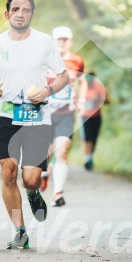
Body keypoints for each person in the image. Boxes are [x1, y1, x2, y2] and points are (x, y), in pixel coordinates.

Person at [0, 0, 69, 250]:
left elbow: (63, 76)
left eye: (26, 10)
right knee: (8, 172)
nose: (20, 14)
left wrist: (48, 91)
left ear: (32, 14)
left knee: (30, 178)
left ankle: (33, 193)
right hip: (6, 113)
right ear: (7, 14)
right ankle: (20, 231)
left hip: (37, 115)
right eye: (15, 9)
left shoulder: (45, 42)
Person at [42, 26, 87, 207]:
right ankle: (44, 173)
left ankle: (57, 193)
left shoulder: (77, 61)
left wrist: (82, 100)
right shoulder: (43, 60)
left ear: (71, 41)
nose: (62, 42)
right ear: (53, 41)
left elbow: (82, 81)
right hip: (43, 113)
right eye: (58, 39)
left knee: (62, 151)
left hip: (66, 114)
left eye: (65, 39)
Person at [79, 71, 109, 170]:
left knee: (93, 139)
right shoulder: (82, 87)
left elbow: (107, 101)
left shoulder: (99, 87)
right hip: (85, 116)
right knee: (87, 138)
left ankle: (90, 157)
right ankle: (86, 159)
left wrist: (99, 99)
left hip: (96, 116)